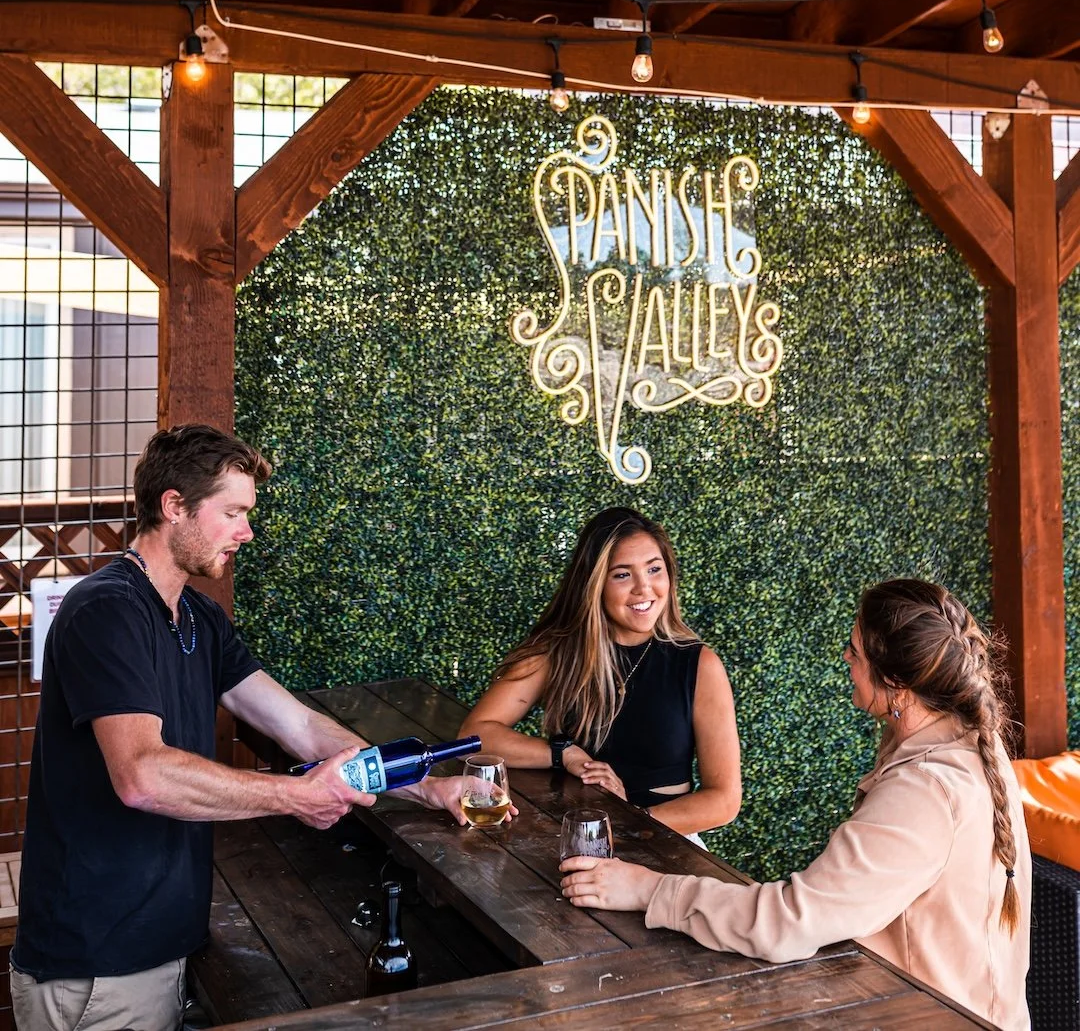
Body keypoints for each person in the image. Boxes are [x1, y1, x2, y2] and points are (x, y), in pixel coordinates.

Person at [10, 424, 489, 1031]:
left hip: (159, 946)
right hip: (97, 963)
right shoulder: (107, 610)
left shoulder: (198, 617)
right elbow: (142, 776)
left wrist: (428, 787)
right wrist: (296, 796)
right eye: (233, 513)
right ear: (174, 506)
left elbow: (300, 725)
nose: (247, 532)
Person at [560, 576, 1032, 1031]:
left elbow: (788, 922)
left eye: (855, 651)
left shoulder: (924, 790)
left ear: (895, 683)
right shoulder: (967, 746)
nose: (845, 658)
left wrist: (648, 889)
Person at [460, 506, 741, 837]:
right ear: (594, 584)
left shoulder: (699, 664)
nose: (644, 588)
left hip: (662, 838)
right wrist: (564, 754)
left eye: (654, 569)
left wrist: (629, 823)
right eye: (622, 575)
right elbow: (473, 737)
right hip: (575, 834)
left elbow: (724, 801)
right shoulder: (557, 651)